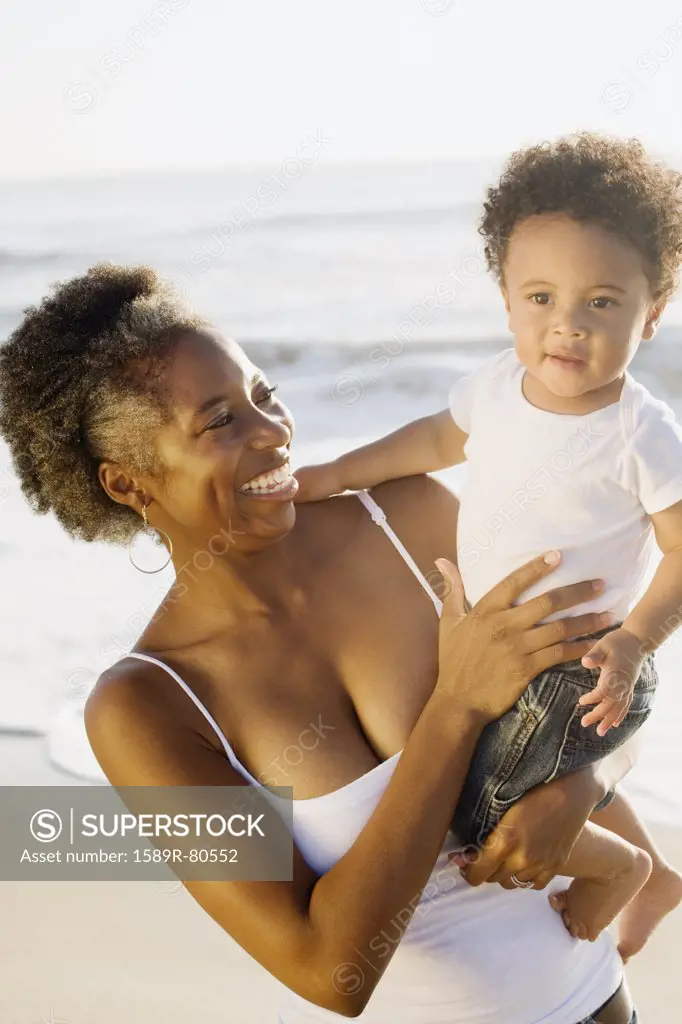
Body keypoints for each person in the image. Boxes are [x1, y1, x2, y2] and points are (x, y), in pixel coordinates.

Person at [0, 263, 641, 1023]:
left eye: (264, 396)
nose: (273, 433)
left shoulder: (407, 521)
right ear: (128, 484)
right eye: (220, 422)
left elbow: (595, 670)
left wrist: (582, 788)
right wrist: (455, 708)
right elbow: (329, 971)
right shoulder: (151, 705)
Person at [294, 132, 682, 957]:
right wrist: (335, 471)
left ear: (654, 309)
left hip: (580, 671)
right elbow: (434, 439)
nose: (566, 326)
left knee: (476, 815)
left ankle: (619, 872)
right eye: (540, 298)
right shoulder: (498, 387)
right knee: (495, 763)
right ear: (506, 300)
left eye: (602, 304)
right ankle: (654, 866)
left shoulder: (640, 433)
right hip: (511, 657)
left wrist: (634, 642)